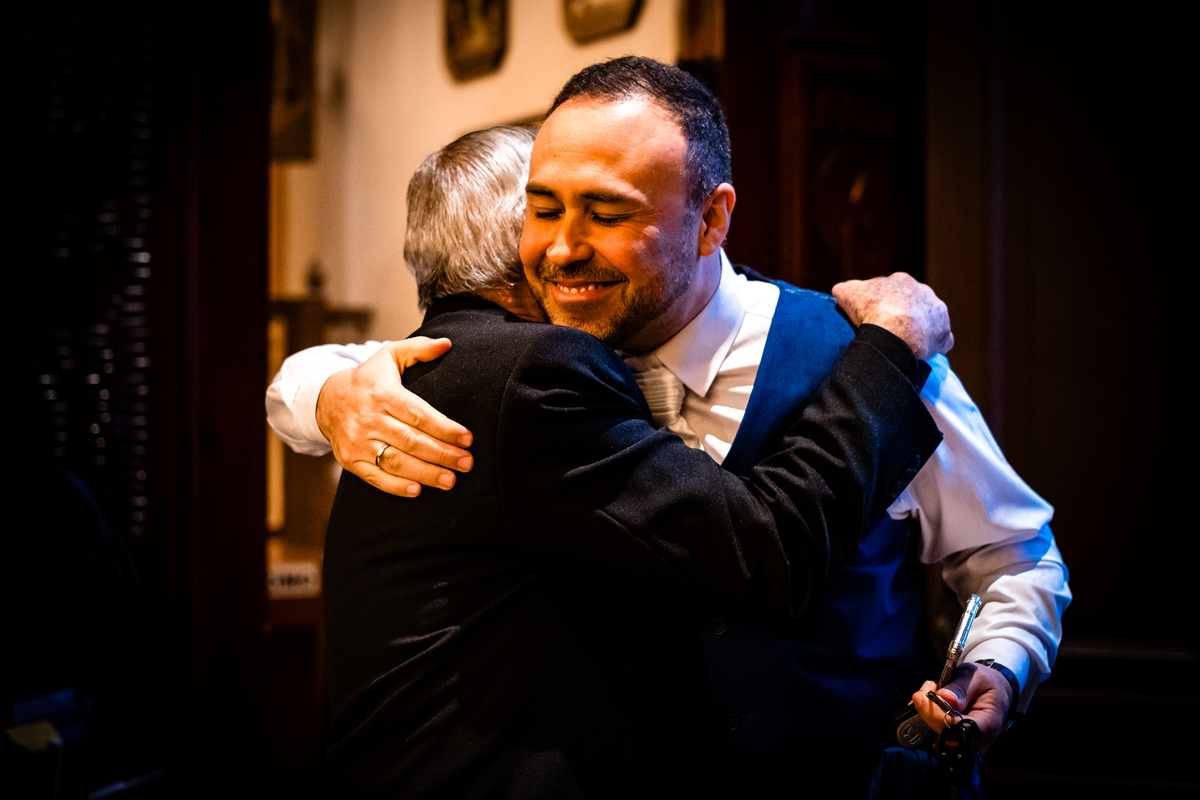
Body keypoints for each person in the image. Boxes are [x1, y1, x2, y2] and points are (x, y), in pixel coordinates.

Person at [269, 58, 1070, 795]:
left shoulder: (877, 357)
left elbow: (1013, 553)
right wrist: (328, 389)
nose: (561, 251)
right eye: (543, 210)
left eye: (609, 214)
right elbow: (361, 372)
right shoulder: (534, 358)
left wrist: (995, 665)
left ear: (713, 220)